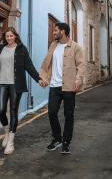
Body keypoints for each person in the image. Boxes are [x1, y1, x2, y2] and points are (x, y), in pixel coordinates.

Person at [0, 27, 46, 155]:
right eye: (7, 36)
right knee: (1, 110)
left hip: (16, 84)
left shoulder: (21, 49)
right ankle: (6, 132)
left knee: (14, 111)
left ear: (15, 36)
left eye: (11, 36)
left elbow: (29, 66)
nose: (9, 38)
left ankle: (11, 141)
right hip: (2, 82)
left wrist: (38, 79)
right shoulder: (0, 49)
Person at [39, 22, 85, 154]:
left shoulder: (75, 47)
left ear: (63, 32)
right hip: (54, 85)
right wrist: (43, 78)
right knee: (52, 113)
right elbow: (46, 63)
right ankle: (57, 138)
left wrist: (78, 80)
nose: (54, 33)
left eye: (56, 30)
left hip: (69, 86)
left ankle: (66, 142)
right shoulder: (53, 46)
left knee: (68, 115)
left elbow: (81, 65)